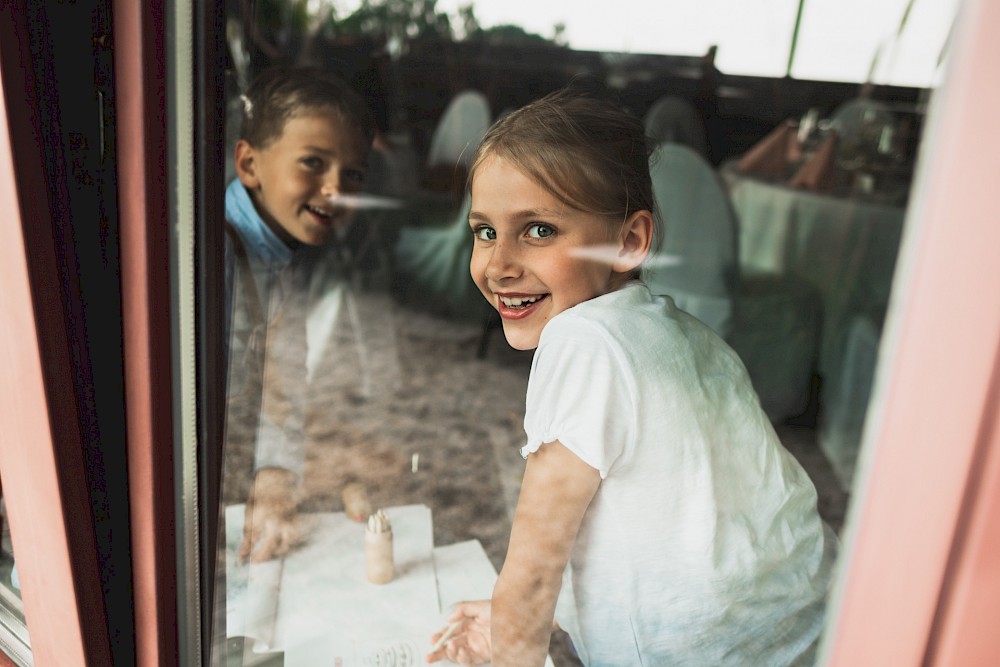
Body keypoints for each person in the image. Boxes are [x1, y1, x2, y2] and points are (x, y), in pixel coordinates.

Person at [426, 82, 837, 666]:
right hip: (805, 631)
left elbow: (534, 571)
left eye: (538, 230)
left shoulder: (583, 341)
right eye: (485, 231)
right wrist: (521, 614)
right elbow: (665, 526)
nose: (498, 265)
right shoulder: (688, 336)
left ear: (629, 242)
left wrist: (513, 628)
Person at [223, 65, 375, 562]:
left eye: (352, 175)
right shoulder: (207, 256)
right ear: (249, 164)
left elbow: (283, 378)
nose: (335, 189)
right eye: (313, 162)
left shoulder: (287, 252)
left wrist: (275, 476)